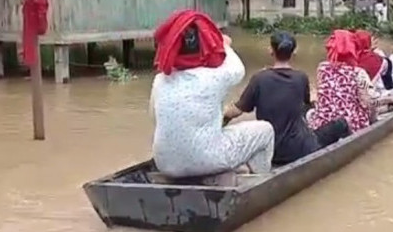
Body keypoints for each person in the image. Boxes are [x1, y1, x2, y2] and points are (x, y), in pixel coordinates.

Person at [150, 9, 274, 178]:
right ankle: (260, 181)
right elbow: (238, 69)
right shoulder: (215, 77)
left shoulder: (160, 80)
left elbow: (155, 119)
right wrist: (224, 43)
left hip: (164, 163)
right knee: (266, 130)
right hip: (205, 158)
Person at [223, 32, 350, 166]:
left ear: (270, 51)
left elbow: (236, 111)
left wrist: (223, 118)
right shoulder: (301, 78)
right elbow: (308, 102)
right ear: (294, 53)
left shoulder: (259, 79)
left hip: (271, 151)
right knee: (341, 124)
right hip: (300, 149)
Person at [307, 30, 393, 133]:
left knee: (309, 113)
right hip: (352, 125)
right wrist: (388, 100)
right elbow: (371, 102)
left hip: (323, 123)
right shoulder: (358, 73)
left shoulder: (322, 68)